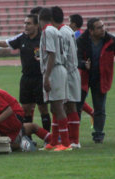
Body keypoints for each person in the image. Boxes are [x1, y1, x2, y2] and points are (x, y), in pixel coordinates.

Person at [0, 14, 51, 132]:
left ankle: (48, 137)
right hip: (26, 78)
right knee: (25, 109)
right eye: (25, 23)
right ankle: (28, 138)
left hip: (40, 78)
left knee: (43, 108)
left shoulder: (43, 38)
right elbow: (6, 43)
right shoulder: (22, 37)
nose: (25, 26)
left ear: (37, 25)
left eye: (29, 23)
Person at [76, 17, 115, 143]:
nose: (103, 29)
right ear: (91, 31)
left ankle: (98, 134)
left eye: (103, 26)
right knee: (77, 106)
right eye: (99, 27)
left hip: (101, 78)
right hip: (84, 77)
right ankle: (74, 133)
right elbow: (75, 59)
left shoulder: (111, 40)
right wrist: (83, 64)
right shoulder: (81, 41)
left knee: (100, 108)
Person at [39, 8, 71, 151]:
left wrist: (46, 77)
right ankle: (53, 141)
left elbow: (51, 55)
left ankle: (65, 143)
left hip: (55, 70)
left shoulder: (48, 31)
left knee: (58, 106)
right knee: (54, 107)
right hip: (58, 69)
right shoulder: (56, 31)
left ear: (40, 18)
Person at [51, 6, 81, 148]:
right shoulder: (68, 30)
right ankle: (70, 139)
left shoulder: (61, 33)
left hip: (67, 72)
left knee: (67, 106)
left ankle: (73, 140)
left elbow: (63, 54)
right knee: (68, 106)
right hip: (72, 71)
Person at [69, 13, 94, 125]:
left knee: (75, 100)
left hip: (79, 71)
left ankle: (73, 135)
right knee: (77, 99)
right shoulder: (83, 35)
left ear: (73, 24)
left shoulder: (75, 36)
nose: (68, 24)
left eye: (69, 21)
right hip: (82, 70)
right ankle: (92, 113)